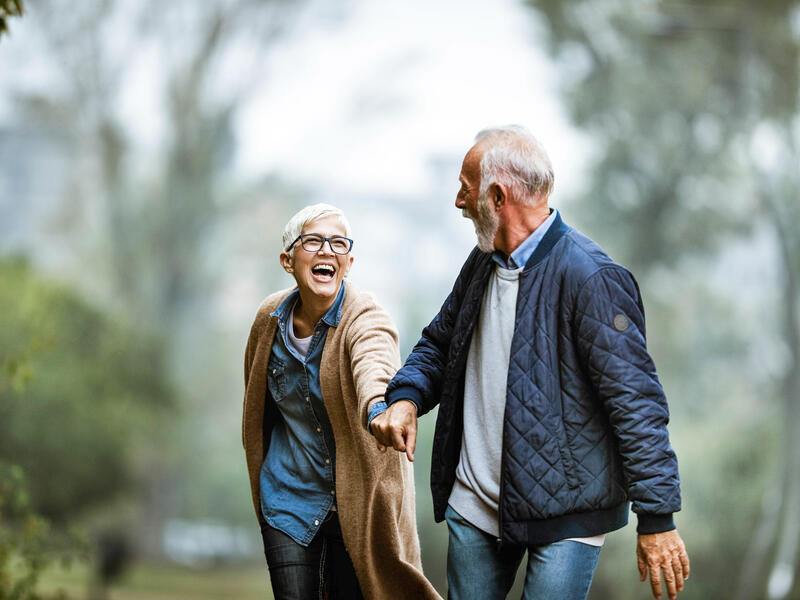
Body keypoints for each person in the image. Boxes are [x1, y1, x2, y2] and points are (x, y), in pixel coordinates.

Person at [370, 126, 690, 600]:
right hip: (475, 506)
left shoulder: (592, 278)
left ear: (497, 196)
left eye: (465, 187)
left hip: (568, 515)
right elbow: (440, 344)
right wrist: (406, 397)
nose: (458, 201)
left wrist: (657, 519)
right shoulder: (481, 263)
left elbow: (636, 404)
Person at [242, 203, 441, 600]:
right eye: (313, 241)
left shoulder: (365, 316)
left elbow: (375, 365)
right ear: (288, 260)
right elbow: (256, 401)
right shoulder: (269, 320)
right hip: (287, 496)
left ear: (348, 262)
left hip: (357, 503)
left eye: (337, 243)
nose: (326, 251)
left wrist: (379, 410)